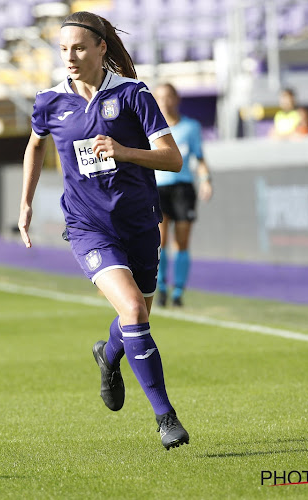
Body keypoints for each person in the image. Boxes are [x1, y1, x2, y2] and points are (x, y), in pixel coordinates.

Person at [17, 11, 189, 450]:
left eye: (78, 48)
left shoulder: (133, 95)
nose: (69, 58)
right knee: (133, 310)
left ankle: (109, 354)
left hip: (139, 222)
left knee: (139, 317)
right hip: (89, 227)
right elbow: (35, 146)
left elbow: (173, 160)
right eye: (62, 50)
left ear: (100, 49)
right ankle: (166, 418)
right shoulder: (49, 102)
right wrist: (26, 201)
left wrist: (125, 151)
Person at [152, 83, 212, 308]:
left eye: (168, 97)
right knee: (160, 241)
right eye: (159, 97)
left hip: (183, 189)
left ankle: (178, 291)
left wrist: (206, 180)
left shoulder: (191, 127)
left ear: (176, 99)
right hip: (158, 188)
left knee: (182, 242)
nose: (164, 102)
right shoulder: (150, 128)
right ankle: (161, 288)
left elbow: (199, 157)